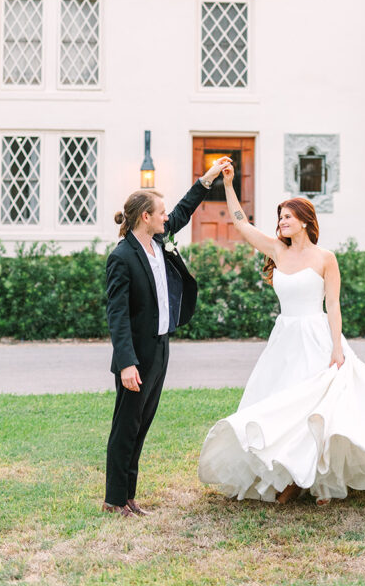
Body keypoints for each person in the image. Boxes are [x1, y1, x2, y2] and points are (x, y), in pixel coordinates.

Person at [198, 164, 365, 504]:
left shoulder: (325, 258)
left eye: (287, 217)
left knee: (322, 407)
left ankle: (318, 479)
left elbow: (333, 306)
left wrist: (337, 347)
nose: (282, 222)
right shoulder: (277, 250)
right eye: (280, 218)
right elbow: (241, 223)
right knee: (282, 406)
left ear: (304, 220)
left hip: (317, 336)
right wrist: (228, 184)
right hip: (284, 339)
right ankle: (289, 476)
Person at [103, 156, 231, 516]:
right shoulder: (122, 257)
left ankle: (129, 496)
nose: (165, 217)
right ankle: (114, 500)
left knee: (142, 425)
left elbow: (184, 209)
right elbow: (117, 316)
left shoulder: (158, 242)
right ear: (145, 217)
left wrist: (208, 179)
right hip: (137, 354)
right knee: (125, 427)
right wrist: (126, 363)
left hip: (161, 346)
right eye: (160, 213)